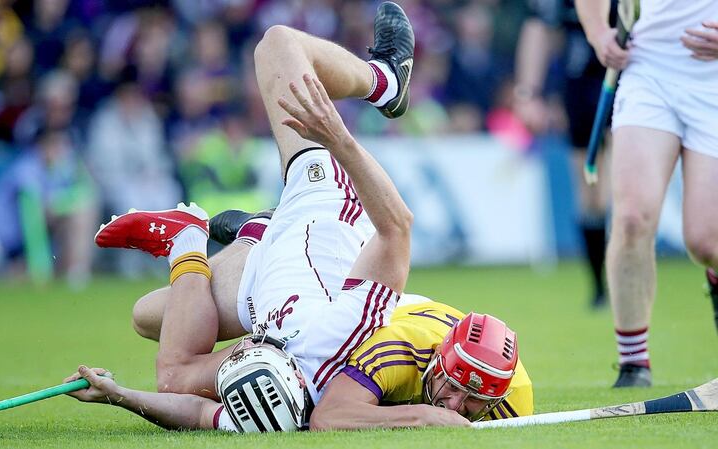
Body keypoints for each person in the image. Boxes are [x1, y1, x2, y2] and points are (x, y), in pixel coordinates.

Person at [70, 1, 425, 430]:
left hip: (261, 287)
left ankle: (233, 235)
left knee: (148, 316)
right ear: (295, 379)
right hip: (321, 211)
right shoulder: (334, 342)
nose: (244, 351)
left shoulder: (254, 387)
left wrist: (120, 396)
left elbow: (188, 399)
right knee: (278, 43)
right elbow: (397, 228)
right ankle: (386, 82)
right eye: (250, 354)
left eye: (242, 357)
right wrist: (339, 140)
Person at [575, 0, 718, 387]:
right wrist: (598, 33)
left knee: (707, 241)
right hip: (648, 68)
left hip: (714, 78)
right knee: (632, 217)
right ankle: (634, 364)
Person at [513, 0, 616, 309]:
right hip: (581, 87)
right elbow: (538, 26)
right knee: (592, 196)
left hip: (635, 80)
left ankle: (625, 280)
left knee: (626, 191)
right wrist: (528, 93)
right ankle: (600, 287)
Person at [310, 295, 533, 430]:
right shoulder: (398, 348)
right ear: (436, 361)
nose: (454, 406)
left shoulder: (515, 397)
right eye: (453, 386)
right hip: (393, 310)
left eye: (475, 398)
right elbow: (327, 416)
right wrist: (420, 415)